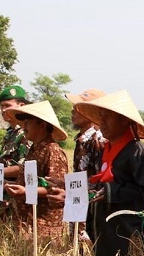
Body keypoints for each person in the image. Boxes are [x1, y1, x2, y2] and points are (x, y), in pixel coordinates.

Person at [74, 90, 144, 256]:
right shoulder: (105, 152)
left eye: (107, 116)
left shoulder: (140, 154)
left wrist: (112, 192)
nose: (102, 122)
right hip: (105, 236)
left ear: (124, 120)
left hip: (130, 240)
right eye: (100, 116)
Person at [2, 100, 69, 238]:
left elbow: (55, 189)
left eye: (28, 122)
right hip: (27, 221)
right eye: (23, 122)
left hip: (43, 225)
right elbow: (32, 182)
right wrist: (11, 186)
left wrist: (26, 191)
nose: (24, 126)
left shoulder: (53, 151)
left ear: (42, 124)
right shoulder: (34, 149)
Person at [46, 89, 107, 241]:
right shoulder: (82, 140)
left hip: (90, 212)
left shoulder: (98, 140)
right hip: (78, 207)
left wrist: (70, 195)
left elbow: (100, 184)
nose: (73, 111)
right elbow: (85, 177)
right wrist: (64, 183)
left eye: (78, 107)